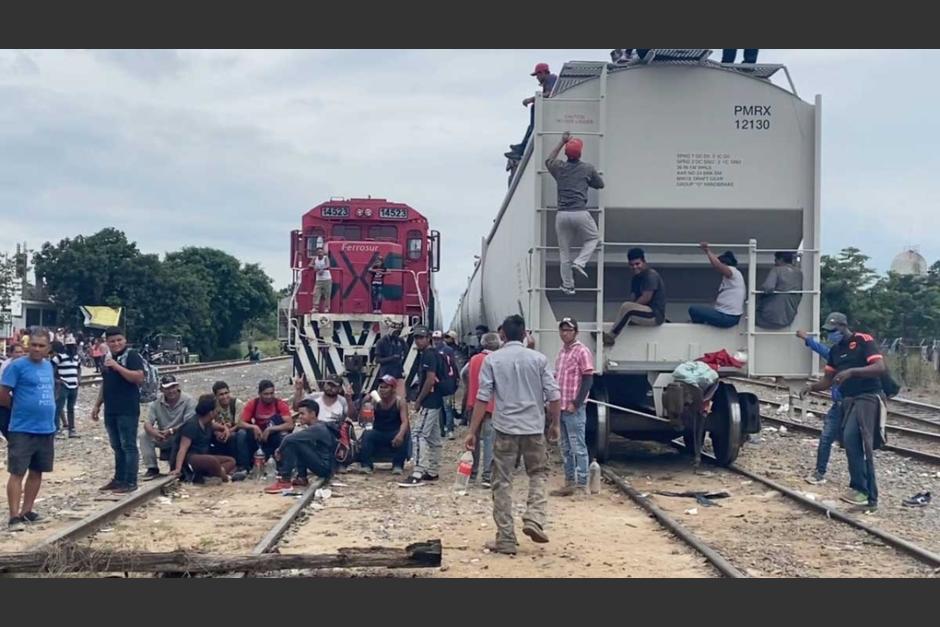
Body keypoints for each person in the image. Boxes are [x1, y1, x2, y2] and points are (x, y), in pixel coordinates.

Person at [465, 315, 560, 554]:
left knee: (502, 482)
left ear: (503, 336)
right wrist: (555, 424)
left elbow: (482, 398)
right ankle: (534, 517)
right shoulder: (539, 359)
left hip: (505, 429)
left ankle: (506, 538)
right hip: (534, 428)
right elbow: (554, 395)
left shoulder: (493, 360)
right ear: (526, 334)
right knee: (538, 473)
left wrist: (472, 431)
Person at [801, 312, 886, 510]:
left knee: (860, 441)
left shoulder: (863, 341)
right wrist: (811, 387)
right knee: (849, 441)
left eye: (833, 331)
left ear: (843, 326)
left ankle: (869, 495)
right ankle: (859, 488)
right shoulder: (835, 351)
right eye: (828, 332)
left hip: (868, 397)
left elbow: (879, 367)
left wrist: (852, 372)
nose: (831, 335)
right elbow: (828, 380)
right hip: (849, 400)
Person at [0, 329, 56, 531]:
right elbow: (3, 395)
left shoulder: (48, 366)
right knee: (17, 472)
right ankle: (14, 516)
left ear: (48, 348)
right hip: (22, 428)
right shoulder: (17, 367)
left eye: (41, 346)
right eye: (33, 345)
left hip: (46, 428)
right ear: (27, 345)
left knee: (37, 471)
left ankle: (27, 510)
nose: (36, 349)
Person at [545, 131, 605, 295]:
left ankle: (568, 285)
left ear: (566, 153)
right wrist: (586, 181)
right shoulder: (587, 168)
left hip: (562, 215)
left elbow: (548, 160)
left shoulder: (559, 168)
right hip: (580, 212)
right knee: (594, 238)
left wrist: (562, 141)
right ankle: (580, 262)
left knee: (564, 253)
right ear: (580, 153)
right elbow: (600, 185)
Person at [91, 327, 145, 494]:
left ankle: (130, 481)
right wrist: (97, 404)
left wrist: (118, 366)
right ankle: (119, 478)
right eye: (112, 341)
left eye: (119, 340)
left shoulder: (132, 356)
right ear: (107, 342)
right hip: (111, 408)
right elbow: (105, 383)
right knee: (116, 445)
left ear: (124, 340)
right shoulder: (107, 358)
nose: (116, 344)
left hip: (127, 408)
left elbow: (138, 377)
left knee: (128, 445)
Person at [550, 317, 594, 497]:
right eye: (562, 330)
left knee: (578, 446)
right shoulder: (562, 353)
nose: (565, 333)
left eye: (568, 330)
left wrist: (577, 402)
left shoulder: (582, 351)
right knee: (565, 447)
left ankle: (582, 484)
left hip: (573, 407)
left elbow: (588, 378)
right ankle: (569, 482)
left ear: (576, 332)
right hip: (561, 406)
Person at [796, 328, 844, 485]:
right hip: (839, 405)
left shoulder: (853, 355)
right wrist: (807, 339)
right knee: (826, 438)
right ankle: (819, 472)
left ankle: (860, 483)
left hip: (854, 405)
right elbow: (824, 352)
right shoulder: (836, 354)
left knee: (848, 442)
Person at [398, 326, 443, 487]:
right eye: (416, 338)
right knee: (433, 437)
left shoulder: (429, 355)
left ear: (428, 337)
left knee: (418, 434)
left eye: (421, 337)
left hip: (429, 401)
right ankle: (433, 470)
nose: (418, 340)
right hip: (435, 400)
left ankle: (418, 472)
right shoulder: (433, 353)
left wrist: (419, 400)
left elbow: (430, 379)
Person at [264, 399, 336, 493]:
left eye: (303, 414)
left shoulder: (317, 428)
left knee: (293, 443)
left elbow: (288, 438)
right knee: (300, 442)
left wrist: (279, 450)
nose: (300, 417)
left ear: (312, 414)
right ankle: (302, 478)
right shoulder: (318, 426)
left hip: (324, 468)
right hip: (325, 465)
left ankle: (285, 480)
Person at [170, 394, 244, 483]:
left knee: (231, 461)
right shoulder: (192, 425)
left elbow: (222, 427)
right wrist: (177, 469)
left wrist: (226, 431)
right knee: (212, 461)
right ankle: (226, 478)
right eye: (216, 409)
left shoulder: (208, 423)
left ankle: (212, 475)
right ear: (211, 412)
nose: (218, 411)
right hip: (190, 458)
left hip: (203, 456)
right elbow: (183, 449)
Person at [603, 248, 666, 346]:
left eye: (637, 264)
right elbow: (632, 298)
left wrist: (628, 310)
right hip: (643, 312)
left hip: (655, 315)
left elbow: (646, 297)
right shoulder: (635, 279)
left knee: (626, 307)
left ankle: (611, 336)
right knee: (623, 310)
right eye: (632, 265)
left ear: (644, 262)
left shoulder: (651, 275)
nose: (635, 267)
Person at [461, 331, 501, 487]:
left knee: (473, 439)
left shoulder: (474, 359)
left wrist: (471, 388)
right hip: (492, 406)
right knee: (490, 441)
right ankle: (487, 476)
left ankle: (472, 473)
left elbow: (464, 374)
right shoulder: (497, 360)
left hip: (474, 404)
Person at [140, 375, 197, 480]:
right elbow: (147, 423)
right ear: (161, 389)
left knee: (185, 433)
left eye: (173, 387)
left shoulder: (189, 400)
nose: (171, 391)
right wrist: (154, 433)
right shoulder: (156, 403)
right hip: (164, 436)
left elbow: (189, 423)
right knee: (144, 436)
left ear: (177, 386)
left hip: (182, 435)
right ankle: (152, 468)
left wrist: (171, 430)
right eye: (167, 388)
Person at [357, 375, 410, 475]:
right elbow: (363, 420)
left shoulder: (400, 402)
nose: (383, 390)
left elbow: (405, 421)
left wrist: (400, 434)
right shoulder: (375, 401)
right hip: (379, 431)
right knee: (367, 435)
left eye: (386, 387)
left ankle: (398, 465)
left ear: (393, 389)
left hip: (393, 431)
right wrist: (364, 403)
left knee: (405, 433)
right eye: (381, 387)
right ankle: (366, 465)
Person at [236, 380, 294, 470]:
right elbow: (240, 423)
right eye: (266, 394)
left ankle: (282, 466)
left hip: (273, 436)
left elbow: (290, 425)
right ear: (259, 394)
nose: (269, 396)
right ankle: (244, 466)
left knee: (284, 435)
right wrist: (254, 427)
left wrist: (271, 429)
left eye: (271, 393)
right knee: (241, 433)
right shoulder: (253, 403)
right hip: (257, 437)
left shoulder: (279, 403)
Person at [506, 62, 558, 159]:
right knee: (531, 127)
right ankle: (521, 147)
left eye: (537, 74)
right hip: (547, 112)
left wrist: (530, 99)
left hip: (550, 113)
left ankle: (520, 149)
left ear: (542, 72)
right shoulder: (549, 81)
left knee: (532, 126)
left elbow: (549, 94)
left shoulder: (551, 78)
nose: (536, 77)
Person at [688, 243, 746, 328]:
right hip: (726, 315)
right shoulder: (732, 279)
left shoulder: (733, 272)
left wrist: (707, 250)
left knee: (693, 309)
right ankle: (701, 325)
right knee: (702, 311)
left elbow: (717, 265)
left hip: (727, 317)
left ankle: (699, 327)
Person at [756, 251, 803, 328]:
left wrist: (760, 292)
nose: (775, 262)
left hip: (771, 317)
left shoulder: (777, 270)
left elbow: (768, 287)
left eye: (775, 260)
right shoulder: (799, 273)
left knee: (750, 312)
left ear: (781, 259)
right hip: (789, 317)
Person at [51, 341, 82, 438]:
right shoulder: (60, 357)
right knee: (59, 407)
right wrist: (56, 380)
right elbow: (51, 367)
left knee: (70, 408)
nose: (72, 348)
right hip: (63, 384)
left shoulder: (77, 357)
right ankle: (56, 429)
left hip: (74, 385)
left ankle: (71, 429)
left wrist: (78, 379)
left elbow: (79, 368)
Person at [432, 330, 458, 440]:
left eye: (437, 339)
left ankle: (445, 430)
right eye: (435, 339)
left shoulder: (432, 351)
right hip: (448, 382)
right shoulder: (449, 350)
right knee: (447, 407)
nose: (436, 341)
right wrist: (456, 379)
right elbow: (453, 365)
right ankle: (448, 430)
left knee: (443, 408)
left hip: (441, 382)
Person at [211, 380, 244, 459]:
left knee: (239, 435)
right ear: (216, 396)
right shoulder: (213, 405)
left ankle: (240, 463)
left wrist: (228, 431)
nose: (225, 396)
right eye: (221, 394)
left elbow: (239, 424)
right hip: (219, 431)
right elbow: (209, 422)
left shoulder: (237, 403)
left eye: (226, 393)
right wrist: (217, 433)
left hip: (234, 430)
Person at [374, 322, 407, 397]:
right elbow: (378, 360)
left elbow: (406, 351)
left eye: (398, 332)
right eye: (395, 332)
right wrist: (391, 358)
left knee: (401, 397)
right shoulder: (381, 342)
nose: (396, 334)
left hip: (398, 373)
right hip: (386, 374)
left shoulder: (400, 341)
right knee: (384, 396)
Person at [310, 246, 332, 314]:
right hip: (318, 280)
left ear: (323, 252)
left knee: (327, 294)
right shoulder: (315, 259)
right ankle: (315, 308)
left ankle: (326, 308)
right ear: (317, 253)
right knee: (316, 293)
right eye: (319, 252)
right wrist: (314, 267)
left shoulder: (326, 258)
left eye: (321, 252)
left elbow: (328, 265)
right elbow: (310, 265)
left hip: (327, 279)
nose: (320, 253)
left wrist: (322, 269)